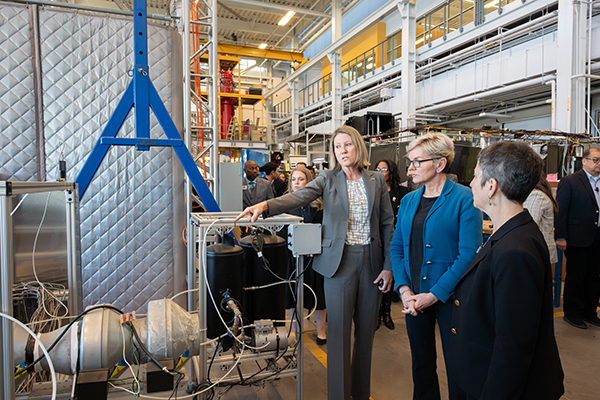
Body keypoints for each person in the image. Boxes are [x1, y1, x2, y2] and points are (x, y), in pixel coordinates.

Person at [237, 125, 394, 400]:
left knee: (366, 334)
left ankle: (360, 392)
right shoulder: (328, 179)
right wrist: (264, 207)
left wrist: (389, 265)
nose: (342, 151)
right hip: (339, 263)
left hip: (372, 262)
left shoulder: (376, 181)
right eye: (337, 146)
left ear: (358, 146)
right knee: (338, 335)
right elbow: (298, 196)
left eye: (347, 145)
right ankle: (339, 395)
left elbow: (387, 224)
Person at [450, 141, 564, 400]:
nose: (470, 184)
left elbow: (513, 345)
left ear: (491, 187)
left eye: (476, 176)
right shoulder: (511, 233)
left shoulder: (515, 251)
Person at [390, 132, 482, 400]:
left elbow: (468, 254)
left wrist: (434, 295)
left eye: (418, 162)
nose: (410, 168)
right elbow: (397, 248)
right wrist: (405, 289)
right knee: (421, 362)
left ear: (440, 164)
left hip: (451, 297)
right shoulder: (408, 201)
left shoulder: (465, 198)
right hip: (414, 296)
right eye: (410, 162)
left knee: (458, 365)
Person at [555, 147, 600, 329]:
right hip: (577, 237)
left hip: (598, 236)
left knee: (594, 277)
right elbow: (561, 211)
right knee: (576, 276)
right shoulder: (570, 182)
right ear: (585, 161)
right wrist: (561, 236)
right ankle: (573, 314)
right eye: (596, 160)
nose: (598, 164)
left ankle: (590, 312)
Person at [284, 166, 327, 344]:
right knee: (292, 295)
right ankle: (295, 331)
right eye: (293, 179)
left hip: (314, 258)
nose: (296, 183)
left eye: (300, 179)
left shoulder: (318, 207)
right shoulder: (285, 205)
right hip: (292, 258)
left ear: (309, 182)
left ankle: (321, 331)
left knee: (317, 294)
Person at [374, 159, 408, 330]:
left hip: (394, 239)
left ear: (391, 172)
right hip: (375, 239)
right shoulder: (372, 190)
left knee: (390, 274)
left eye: (384, 169)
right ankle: (375, 314)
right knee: (376, 275)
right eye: (377, 169)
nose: (380, 172)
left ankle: (386, 314)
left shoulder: (402, 192)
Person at [523, 174, 559, 264]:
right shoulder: (538, 194)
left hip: (537, 250)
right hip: (539, 250)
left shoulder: (536, 195)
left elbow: (529, 222)